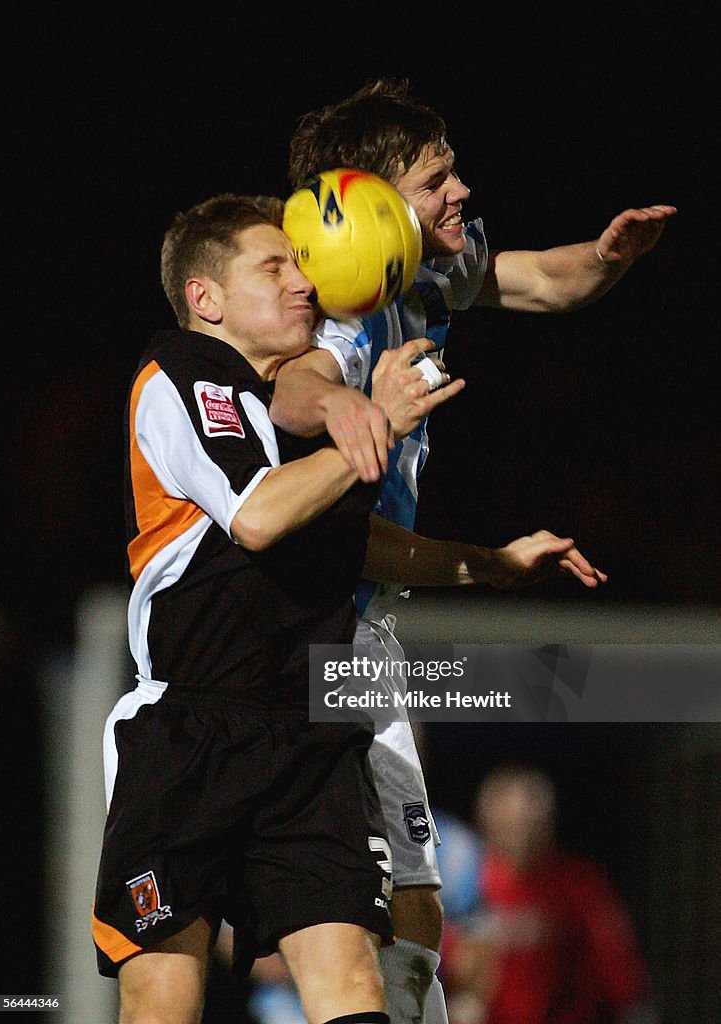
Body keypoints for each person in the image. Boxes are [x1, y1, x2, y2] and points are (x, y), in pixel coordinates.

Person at [268, 77, 675, 1024]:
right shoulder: (336, 307)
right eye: (434, 179)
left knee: (417, 894)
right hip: (294, 638)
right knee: (271, 926)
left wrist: (607, 256)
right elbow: (295, 380)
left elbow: (547, 278)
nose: (460, 193)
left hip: (361, 626)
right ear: (369, 203)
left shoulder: (424, 275)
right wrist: (340, 405)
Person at [91, 191, 447, 1024]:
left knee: (354, 988)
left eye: (302, 264)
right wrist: (380, 422)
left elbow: (353, 547)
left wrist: (492, 567)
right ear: (205, 298)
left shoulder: (304, 414)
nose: (304, 283)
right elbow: (255, 517)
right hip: (190, 735)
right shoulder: (180, 374)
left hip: (305, 738)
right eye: (274, 266)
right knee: (164, 1000)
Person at [438, 765, 659, 1024]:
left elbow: (619, 971)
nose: (522, 836)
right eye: (509, 825)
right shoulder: (465, 884)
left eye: (530, 824)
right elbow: (444, 967)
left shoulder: (578, 885)